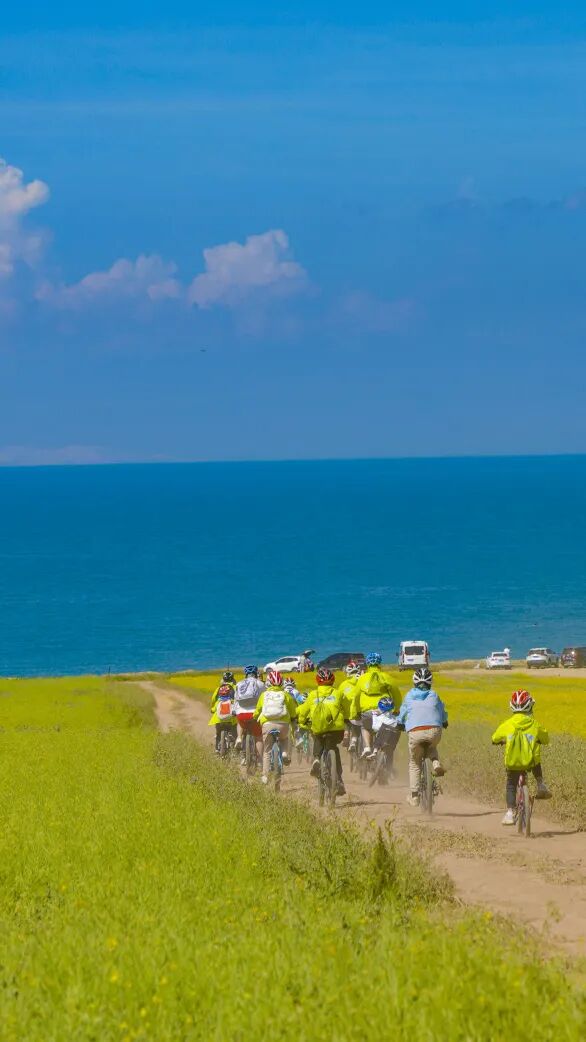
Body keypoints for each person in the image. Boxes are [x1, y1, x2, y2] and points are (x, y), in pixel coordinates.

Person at [491, 689, 551, 825]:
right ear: (530, 705)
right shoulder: (534, 724)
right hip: (530, 762)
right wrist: (539, 740)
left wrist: (498, 741)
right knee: (536, 758)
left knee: (511, 784)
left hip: (513, 763)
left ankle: (510, 812)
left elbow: (494, 737)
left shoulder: (507, 724)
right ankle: (540, 784)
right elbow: (546, 738)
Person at [397, 668, 448, 806]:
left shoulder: (409, 696)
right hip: (434, 730)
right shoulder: (434, 695)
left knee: (414, 763)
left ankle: (414, 796)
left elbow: (402, 714)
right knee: (432, 745)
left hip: (415, 731)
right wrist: (444, 721)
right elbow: (442, 710)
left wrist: (399, 723)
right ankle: (435, 762)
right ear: (430, 682)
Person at [298, 667, 349, 796]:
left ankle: (316, 759)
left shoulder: (312, 695)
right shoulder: (338, 693)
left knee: (317, 737)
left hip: (319, 727)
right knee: (333, 748)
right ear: (332, 681)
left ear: (317, 681)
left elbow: (303, 711)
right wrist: (347, 719)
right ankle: (338, 780)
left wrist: (302, 722)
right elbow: (348, 708)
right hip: (336, 729)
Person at [350, 652, 402, 759]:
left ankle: (367, 748)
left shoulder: (362, 679)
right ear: (379, 664)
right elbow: (396, 694)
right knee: (387, 732)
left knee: (365, 727)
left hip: (367, 712)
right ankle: (387, 766)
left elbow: (355, 697)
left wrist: (354, 713)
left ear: (368, 664)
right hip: (384, 711)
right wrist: (397, 709)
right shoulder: (386, 677)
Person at [253, 671, 298, 784]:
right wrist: (293, 718)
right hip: (283, 724)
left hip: (267, 724)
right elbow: (293, 711)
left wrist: (254, 717)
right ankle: (284, 753)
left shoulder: (264, 695)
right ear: (281, 683)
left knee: (267, 751)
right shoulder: (285, 695)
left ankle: (265, 776)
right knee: (284, 739)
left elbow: (257, 711)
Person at [233, 665, 265, 766]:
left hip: (241, 714)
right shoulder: (260, 683)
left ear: (245, 674)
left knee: (240, 723)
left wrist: (235, 711)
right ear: (256, 674)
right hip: (255, 715)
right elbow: (264, 699)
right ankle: (260, 760)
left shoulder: (239, 684)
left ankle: (238, 737)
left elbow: (236, 700)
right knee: (259, 737)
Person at [370, 695, 401, 772]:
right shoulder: (392, 716)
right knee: (390, 751)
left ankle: (375, 751)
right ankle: (389, 769)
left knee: (377, 737)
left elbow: (374, 726)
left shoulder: (375, 713)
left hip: (380, 731)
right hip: (388, 734)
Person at [337, 662, 362, 752]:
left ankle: (346, 733)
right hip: (359, 712)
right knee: (358, 725)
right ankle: (354, 740)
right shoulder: (362, 681)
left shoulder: (343, 685)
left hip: (346, 713)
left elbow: (338, 698)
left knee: (346, 720)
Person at [208, 682, 238, 753]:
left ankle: (217, 748)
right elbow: (235, 709)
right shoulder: (232, 701)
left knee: (218, 733)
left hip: (219, 721)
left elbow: (213, 709)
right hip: (229, 721)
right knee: (232, 731)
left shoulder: (218, 702)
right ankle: (233, 746)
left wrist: (212, 710)